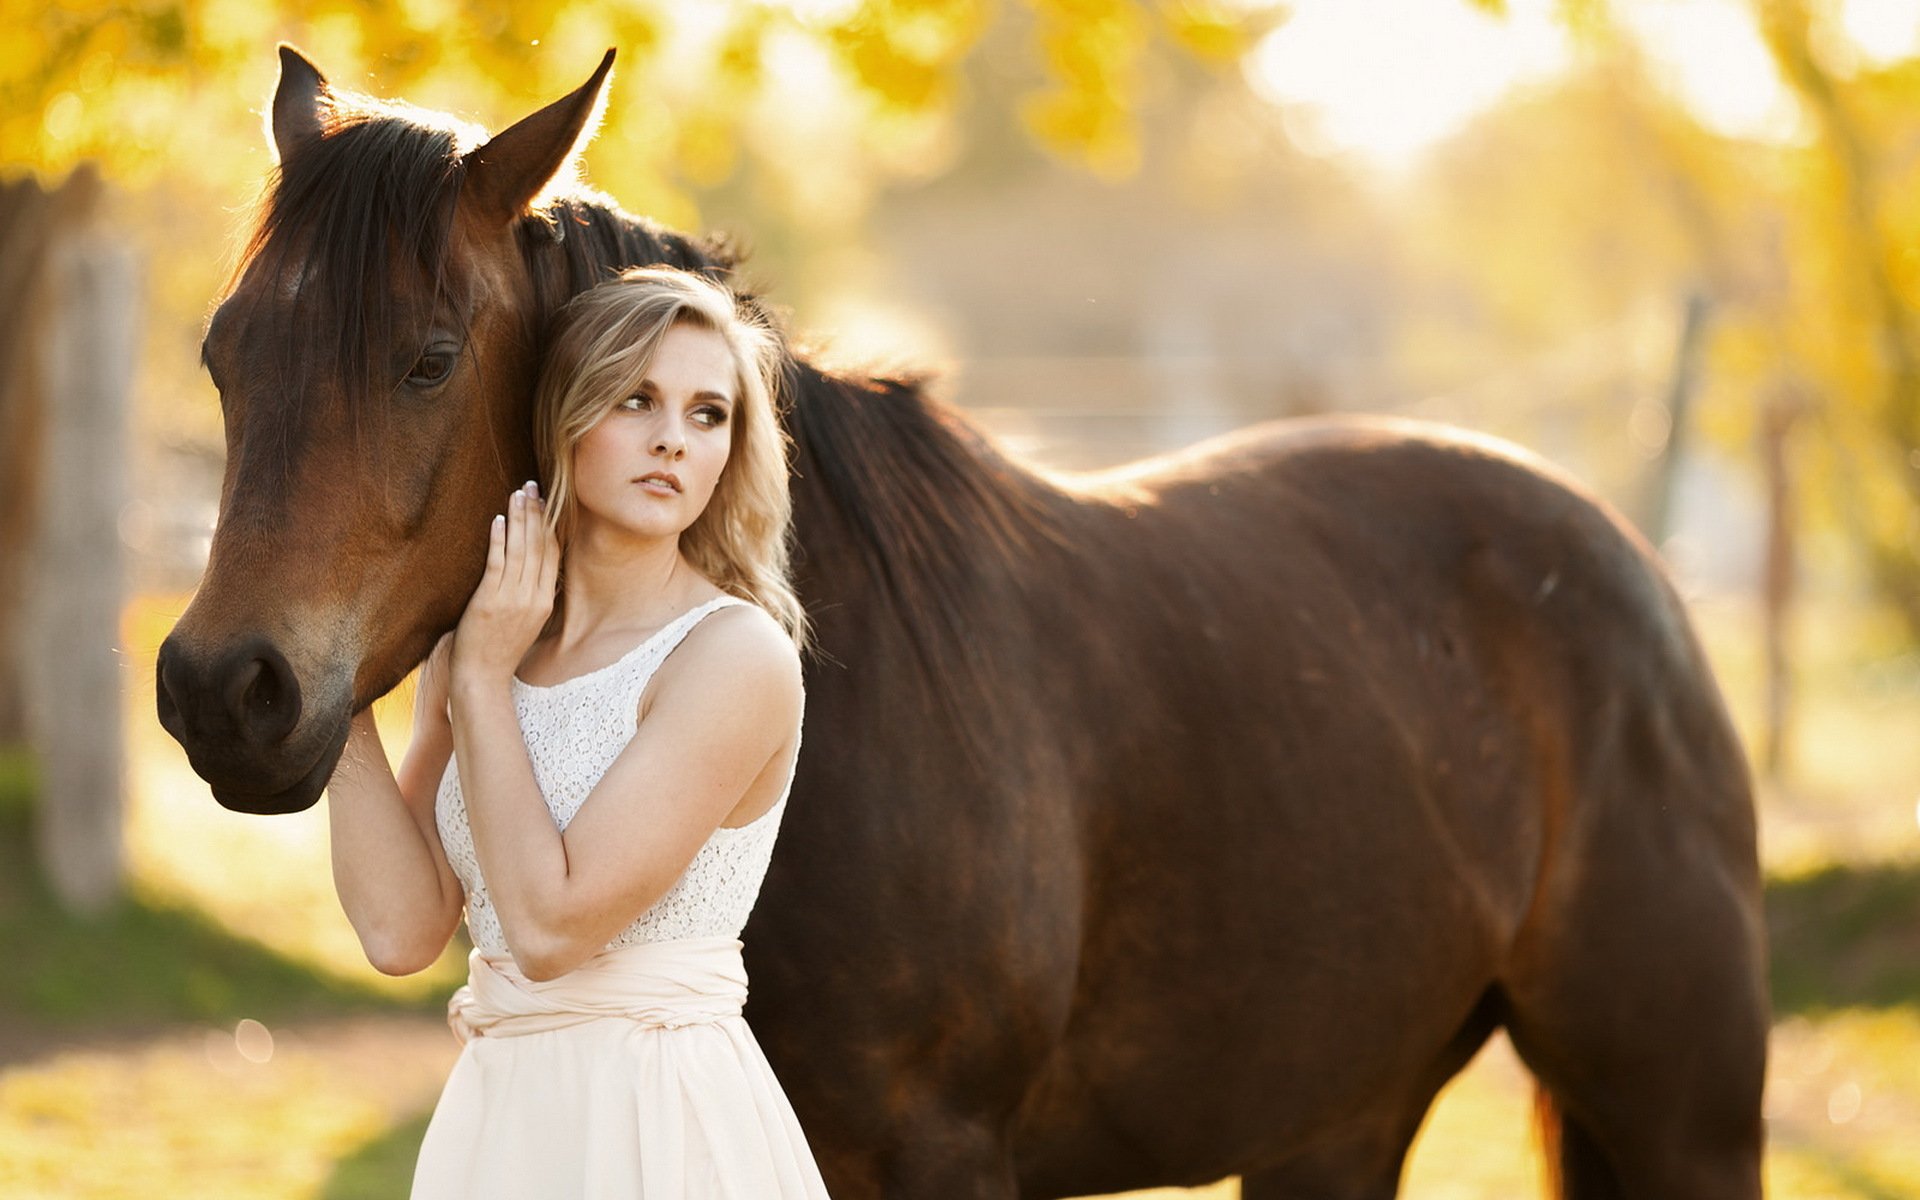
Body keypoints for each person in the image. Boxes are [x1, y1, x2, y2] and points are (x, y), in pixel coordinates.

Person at [323, 266, 831, 1198]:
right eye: (637, 400)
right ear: (563, 415)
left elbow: (551, 930)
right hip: (500, 1124)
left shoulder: (732, 657)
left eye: (708, 415)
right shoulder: (489, 637)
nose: (673, 439)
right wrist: (337, 684)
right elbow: (400, 931)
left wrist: (481, 685)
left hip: (657, 1121)